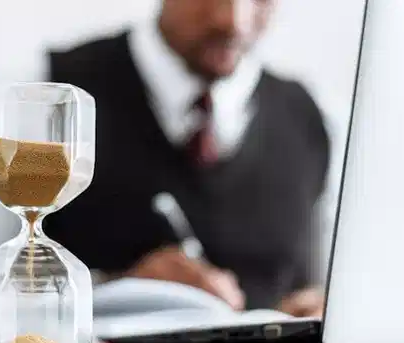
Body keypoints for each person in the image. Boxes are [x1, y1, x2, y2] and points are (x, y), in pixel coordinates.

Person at [44, 0, 330, 317]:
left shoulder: (311, 116)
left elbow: (312, 283)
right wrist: (117, 291)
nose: (233, 21)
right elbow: (3, 295)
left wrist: (315, 311)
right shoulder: (46, 94)